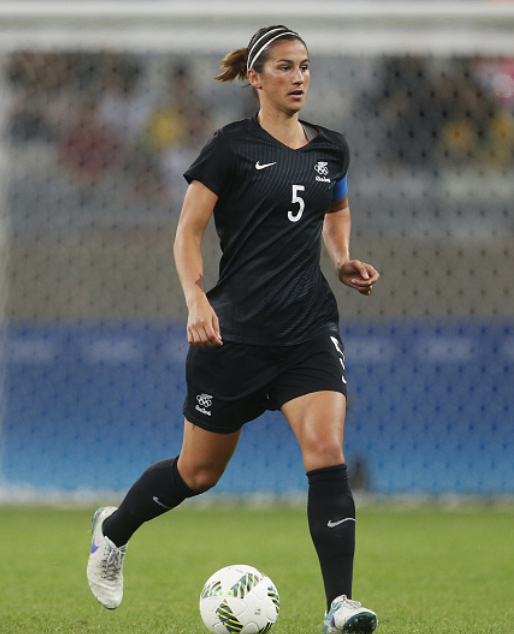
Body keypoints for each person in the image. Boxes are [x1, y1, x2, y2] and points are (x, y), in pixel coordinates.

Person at [87, 25, 380, 634]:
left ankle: (339, 606)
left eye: (304, 67)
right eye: (283, 68)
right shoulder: (230, 148)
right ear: (255, 77)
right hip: (232, 337)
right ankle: (113, 532)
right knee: (198, 473)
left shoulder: (332, 149)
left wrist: (342, 256)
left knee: (326, 453)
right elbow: (187, 231)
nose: (298, 77)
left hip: (307, 329)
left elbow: (337, 205)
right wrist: (196, 299)